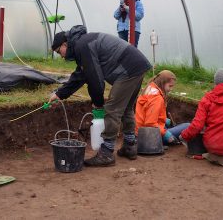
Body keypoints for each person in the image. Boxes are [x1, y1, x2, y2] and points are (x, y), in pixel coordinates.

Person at [49, 25, 151, 166]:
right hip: (136, 65)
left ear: (64, 44)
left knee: (112, 109)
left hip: (127, 68)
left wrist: (98, 102)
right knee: (126, 108)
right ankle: (130, 145)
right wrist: (60, 94)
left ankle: (107, 153)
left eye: (59, 51)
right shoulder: (82, 43)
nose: (61, 56)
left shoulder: (82, 46)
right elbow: (81, 74)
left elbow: (95, 78)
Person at [135, 70, 190, 145]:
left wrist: (164, 120)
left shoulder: (149, 88)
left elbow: (147, 113)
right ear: (163, 83)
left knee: (171, 127)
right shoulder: (157, 98)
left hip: (139, 133)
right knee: (188, 126)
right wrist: (166, 134)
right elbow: (150, 123)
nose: (171, 89)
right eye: (170, 86)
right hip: (150, 137)